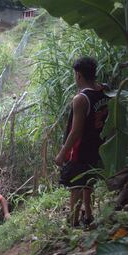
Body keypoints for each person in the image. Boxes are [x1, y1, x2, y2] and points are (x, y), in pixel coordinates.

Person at [55, 57, 110, 227]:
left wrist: (62, 153)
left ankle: (73, 222)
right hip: (97, 145)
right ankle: (89, 215)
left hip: (80, 150)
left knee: (76, 186)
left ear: (78, 75)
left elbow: (76, 131)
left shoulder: (81, 99)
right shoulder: (105, 90)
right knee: (89, 181)